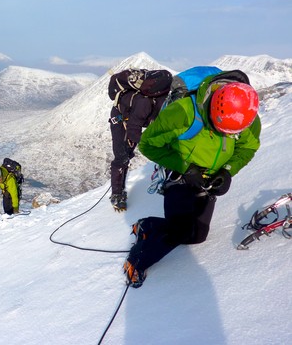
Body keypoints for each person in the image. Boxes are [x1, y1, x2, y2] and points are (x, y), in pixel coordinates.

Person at [124, 74, 261, 288]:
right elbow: (148, 145)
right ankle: (137, 260)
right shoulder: (183, 113)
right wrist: (186, 168)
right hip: (180, 175)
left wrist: (227, 171)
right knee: (179, 231)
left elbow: (248, 147)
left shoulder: (246, 116)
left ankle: (147, 224)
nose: (224, 134)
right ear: (213, 108)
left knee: (196, 236)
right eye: (219, 128)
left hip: (209, 180)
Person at [108, 69, 171, 211]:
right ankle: (117, 195)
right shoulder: (144, 103)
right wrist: (150, 145)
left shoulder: (164, 101)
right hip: (120, 118)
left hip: (136, 118)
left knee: (128, 153)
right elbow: (133, 130)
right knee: (122, 156)